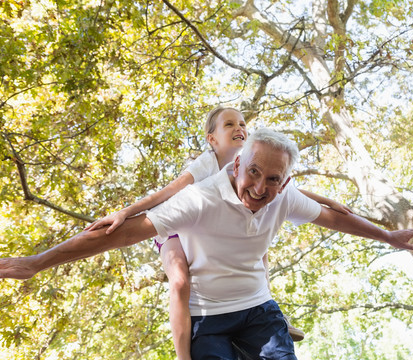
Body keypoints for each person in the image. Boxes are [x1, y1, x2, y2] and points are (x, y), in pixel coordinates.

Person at [0, 128, 413, 360]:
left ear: (287, 182)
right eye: (254, 172)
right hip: (208, 320)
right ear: (238, 163)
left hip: (259, 311)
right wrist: (38, 262)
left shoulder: (286, 197)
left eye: (273, 179)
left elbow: (335, 216)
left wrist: (387, 235)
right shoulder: (198, 198)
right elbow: (117, 234)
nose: (259, 187)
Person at [82, 107, 349, 358]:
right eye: (229, 124)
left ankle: (269, 315)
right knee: (180, 282)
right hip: (172, 226)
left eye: (243, 123)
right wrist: (126, 212)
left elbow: (284, 186)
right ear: (212, 138)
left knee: (259, 253)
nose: (239, 128)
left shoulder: (250, 162)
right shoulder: (205, 163)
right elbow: (168, 192)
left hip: (205, 229)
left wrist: (325, 201)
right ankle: (182, 354)